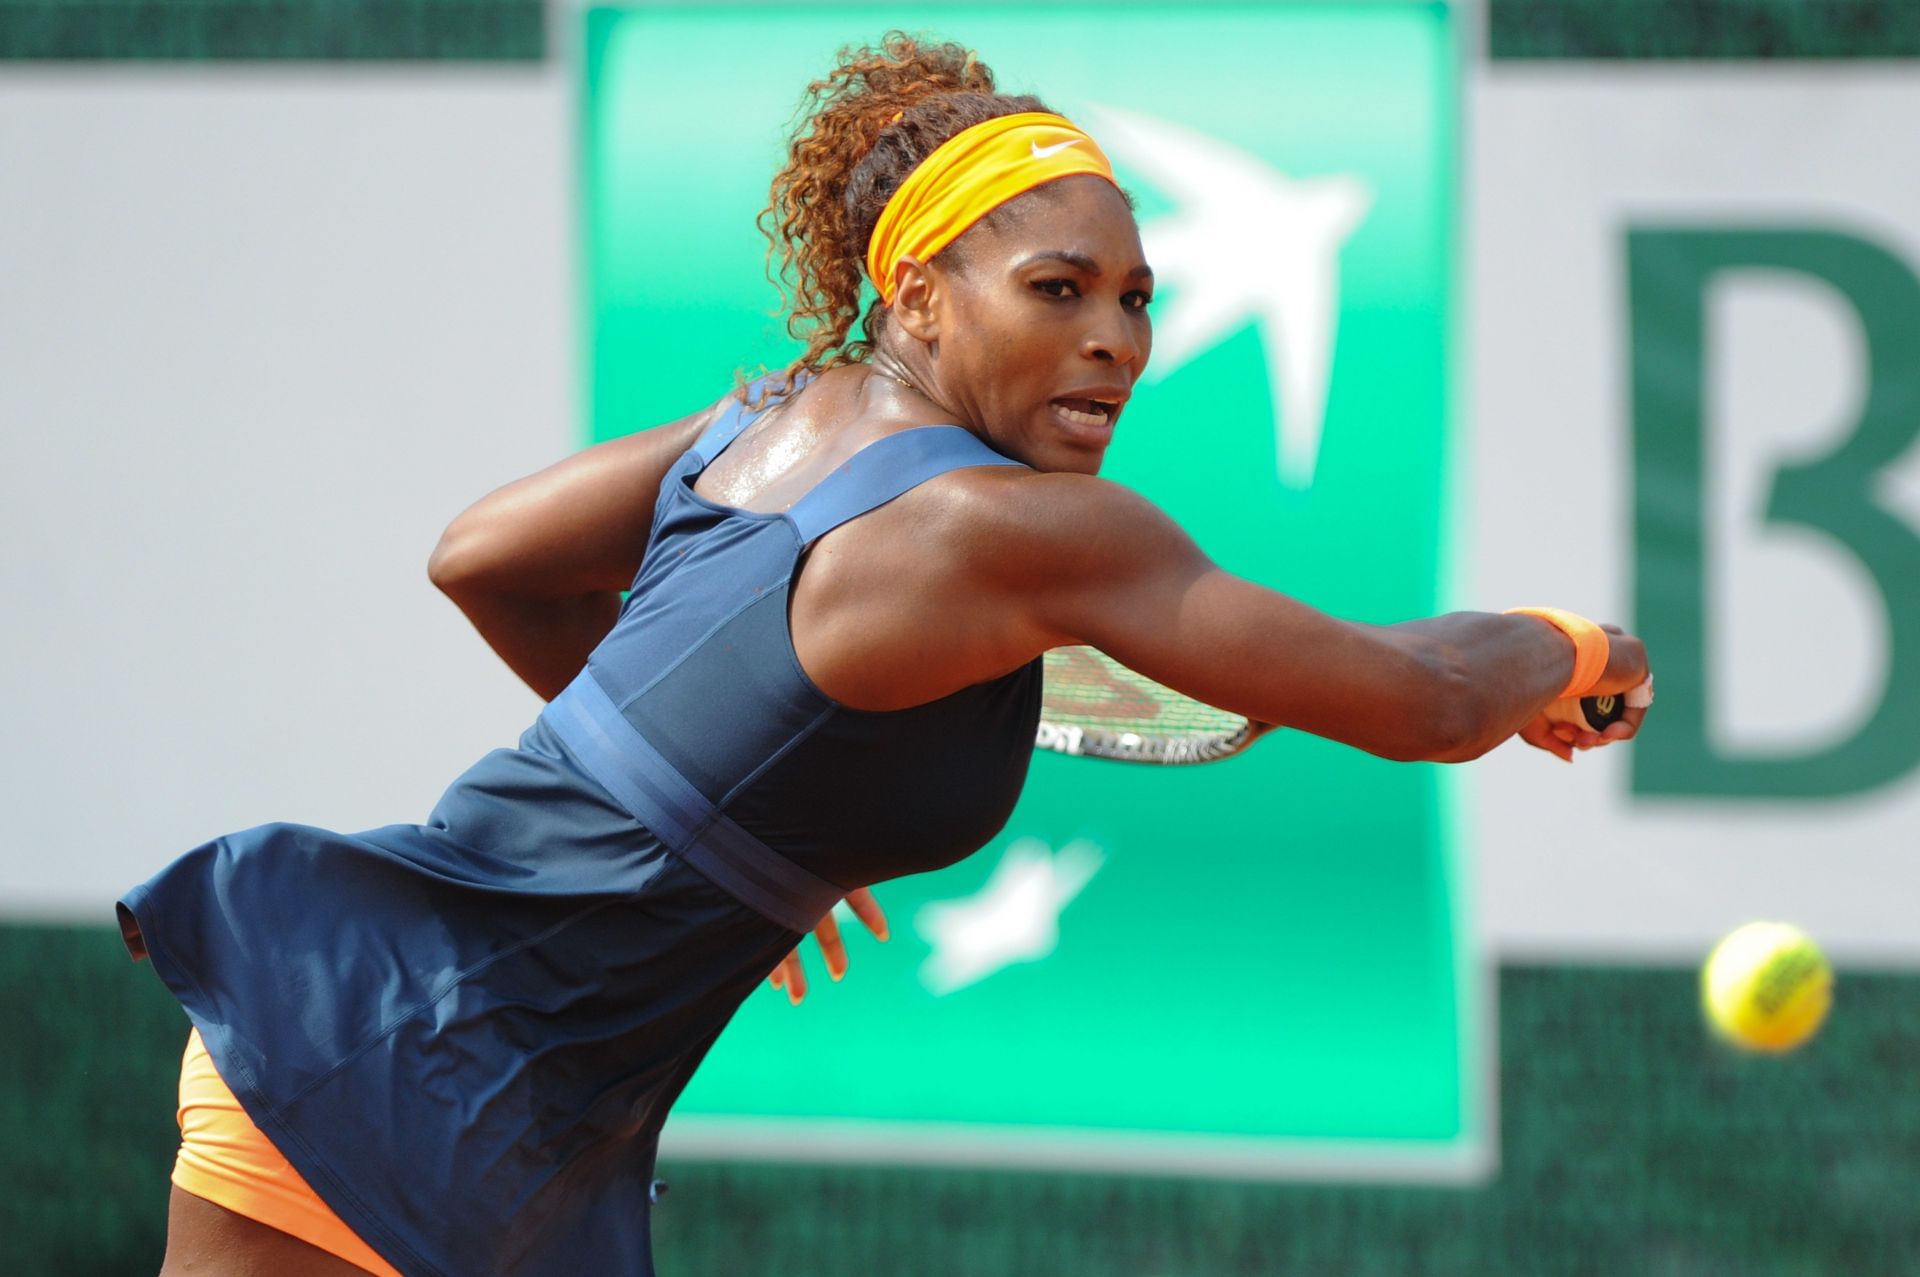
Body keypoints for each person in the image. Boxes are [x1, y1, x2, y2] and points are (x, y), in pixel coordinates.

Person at [120, 33, 1651, 1277]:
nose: (1115, 337)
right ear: (916, 292)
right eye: (1058, 289)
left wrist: (708, 810)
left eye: (1135, 299)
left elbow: (483, 556)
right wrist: (1578, 644)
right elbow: (1427, 695)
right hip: (410, 1080)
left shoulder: (770, 416)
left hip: (434, 1054)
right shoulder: (1023, 531)